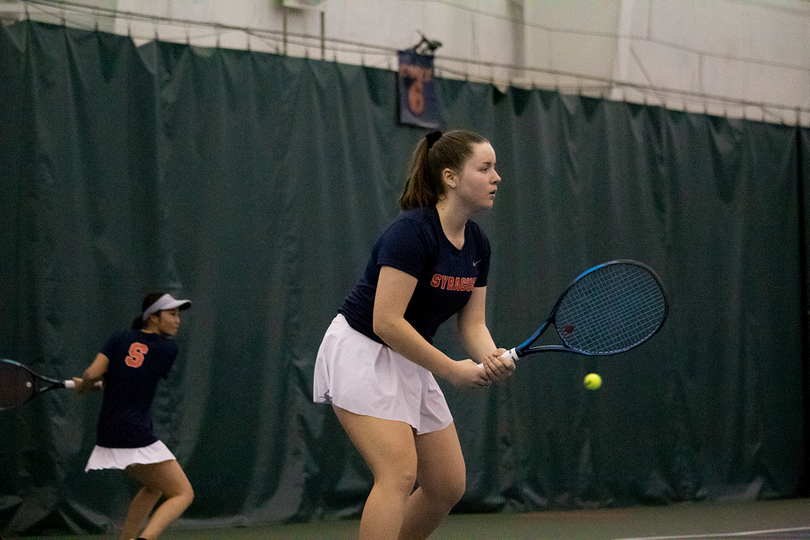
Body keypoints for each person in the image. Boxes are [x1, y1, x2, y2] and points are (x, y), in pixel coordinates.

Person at [313, 129, 515, 539]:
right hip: (362, 350)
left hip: (409, 357)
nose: (497, 177)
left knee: (446, 484)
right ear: (450, 177)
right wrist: (452, 371)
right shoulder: (411, 233)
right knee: (398, 473)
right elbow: (386, 321)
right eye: (485, 167)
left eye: (495, 168)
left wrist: (489, 356)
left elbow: (472, 323)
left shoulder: (478, 244)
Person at [74, 292, 194, 540]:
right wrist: (94, 383)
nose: (177, 320)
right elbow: (132, 381)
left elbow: (97, 373)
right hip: (134, 432)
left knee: (153, 487)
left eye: (178, 315)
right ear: (152, 317)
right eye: (172, 314)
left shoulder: (118, 338)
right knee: (183, 493)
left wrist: (85, 385)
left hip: (108, 431)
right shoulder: (167, 349)